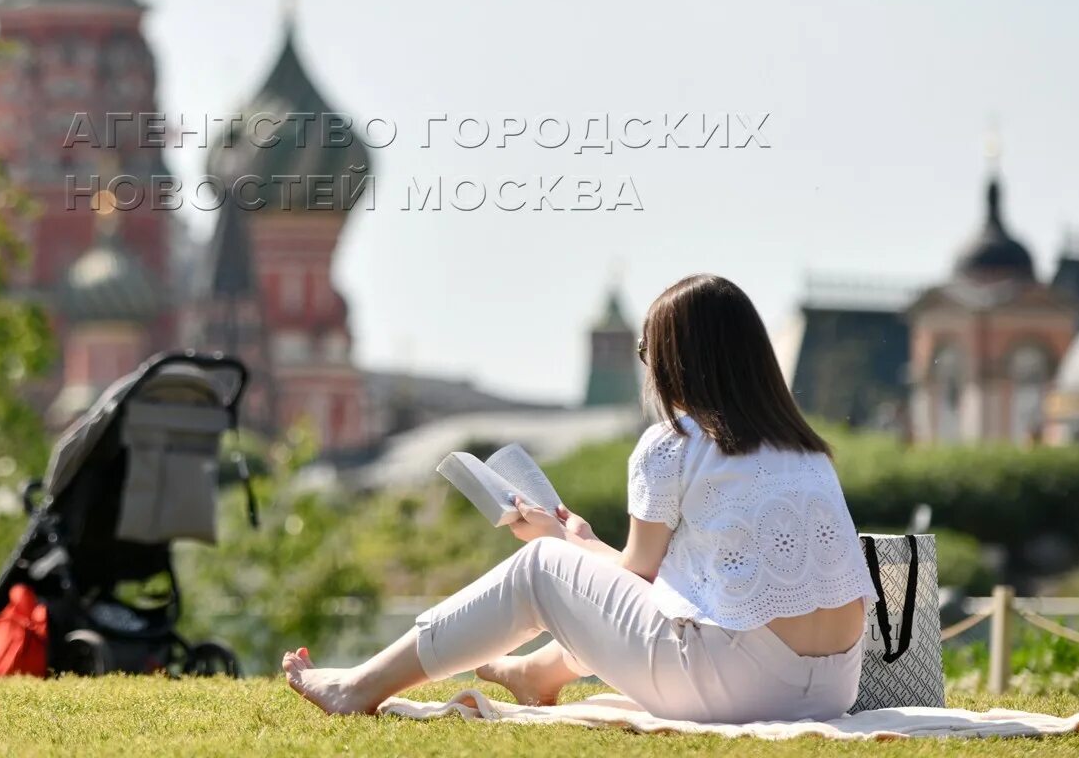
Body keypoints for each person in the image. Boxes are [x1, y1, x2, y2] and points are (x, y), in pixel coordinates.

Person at [284, 273, 874, 724]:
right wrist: (586, 544)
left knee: (541, 567)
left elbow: (638, 580)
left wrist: (557, 542)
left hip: (741, 685)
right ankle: (537, 672)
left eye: (649, 354)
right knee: (614, 583)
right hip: (835, 685)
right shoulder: (806, 450)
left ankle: (358, 687)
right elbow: (667, 582)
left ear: (673, 363)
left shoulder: (674, 444)